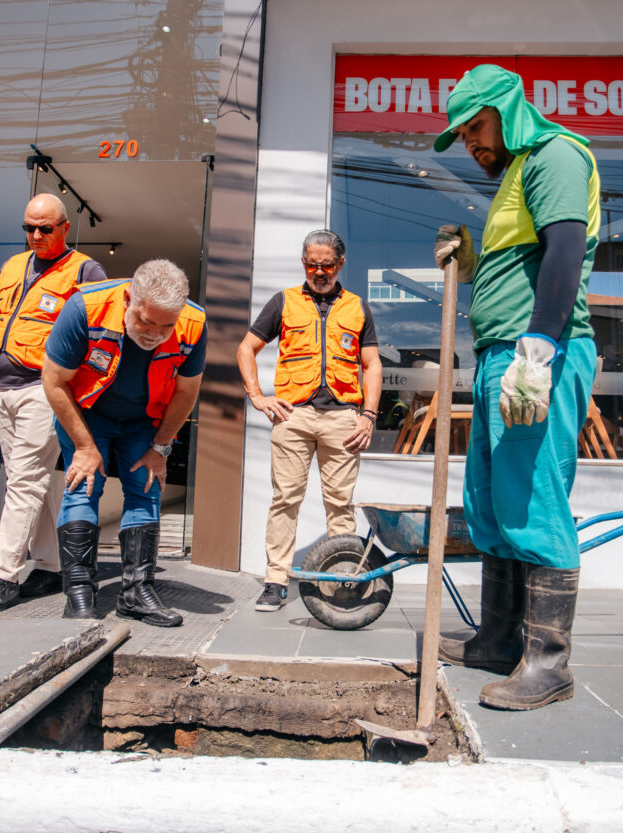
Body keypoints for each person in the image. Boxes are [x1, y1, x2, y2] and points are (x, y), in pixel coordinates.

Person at [431, 64, 601, 710]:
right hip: (500, 356)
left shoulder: (554, 155)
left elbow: (563, 253)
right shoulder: (513, 179)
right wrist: (470, 261)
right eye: (463, 133)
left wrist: (539, 347)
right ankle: (500, 639)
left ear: (507, 108)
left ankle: (549, 664)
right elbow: (519, 265)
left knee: (533, 501)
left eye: (476, 126)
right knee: (493, 505)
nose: (472, 142)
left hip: (537, 353)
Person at [0, 193, 108, 615]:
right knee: (31, 480)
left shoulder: (85, 269)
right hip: (4, 388)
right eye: (29, 227)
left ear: (65, 227)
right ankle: (49, 564)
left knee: (24, 481)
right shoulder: (12, 267)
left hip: (44, 390)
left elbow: (100, 332)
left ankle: (2, 576)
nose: (36, 235)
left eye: (45, 228)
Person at [42, 259, 205, 624]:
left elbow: (186, 393)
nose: (155, 334)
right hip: (86, 412)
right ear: (130, 298)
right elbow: (53, 382)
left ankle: (136, 593)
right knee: (83, 487)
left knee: (146, 489)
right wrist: (85, 448)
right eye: (146, 321)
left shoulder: (194, 323)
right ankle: (80, 592)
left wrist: (160, 448)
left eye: (167, 325)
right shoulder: (85, 307)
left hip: (144, 419)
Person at [236, 229, 382, 612]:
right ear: (304, 263)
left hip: (342, 418)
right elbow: (246, 348)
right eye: (312, 264)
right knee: (285, 499)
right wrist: (257, 396)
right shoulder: (283, 302)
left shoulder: (358, 306)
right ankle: (275, 580)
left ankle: (342, 581)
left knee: (340, 502)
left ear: (340, 264)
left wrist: (368, 415)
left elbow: (371, 365)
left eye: (327, 265)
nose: (319, 272)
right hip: (294, 416)